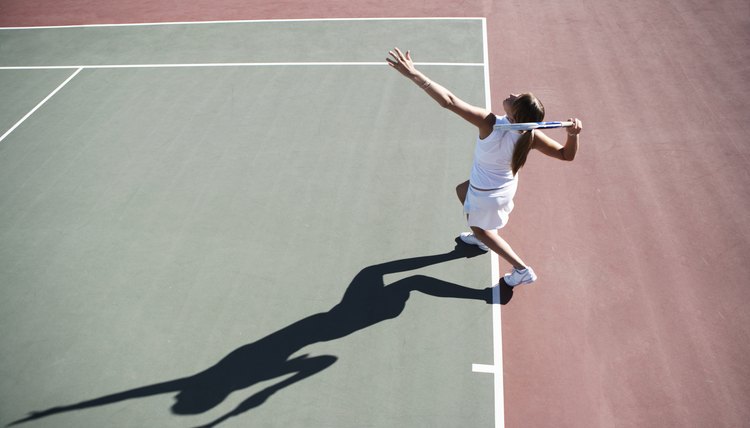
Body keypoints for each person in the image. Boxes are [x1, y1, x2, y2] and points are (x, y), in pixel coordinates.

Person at [386, 47, 582, 287]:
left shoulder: (490, 123)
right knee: (461, 190)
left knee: (480, 229)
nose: (511, 94)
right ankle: (482, 238)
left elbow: (449, 101)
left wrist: (414, 75)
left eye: (515, 99)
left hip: (486, 195)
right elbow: (566, 155)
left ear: (514, 116)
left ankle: (521, 269)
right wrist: (573, 136)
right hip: (501, 190)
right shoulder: (530, 135)